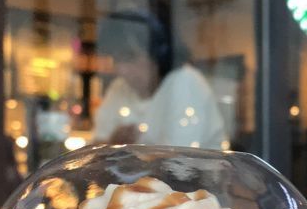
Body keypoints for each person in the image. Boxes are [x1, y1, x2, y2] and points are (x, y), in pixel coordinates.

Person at [94, 11, 225, 148]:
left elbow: (179, 160)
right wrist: (112, 144)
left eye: (130, 56)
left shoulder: (185, 82)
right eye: (116, 59)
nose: (121, 69)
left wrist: (116, 150)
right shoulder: (119, 88)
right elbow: (94, 151)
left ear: (157, 54)